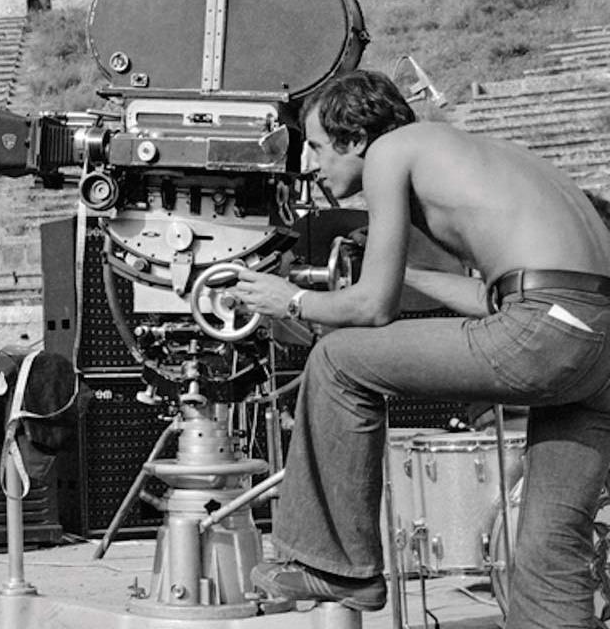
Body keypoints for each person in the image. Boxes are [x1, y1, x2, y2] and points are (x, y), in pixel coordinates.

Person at [232, 69, 610, 628]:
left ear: (355, 138)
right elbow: (502, 298)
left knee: (338, 360)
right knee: (548, 550)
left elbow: (371, 309)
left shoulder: (391, 151)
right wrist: (412, 273)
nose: (311, 164)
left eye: (315, 146)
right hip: (595, 345)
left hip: (546, 330)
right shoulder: (474, 154)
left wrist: (290, 299)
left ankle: (338, 566)